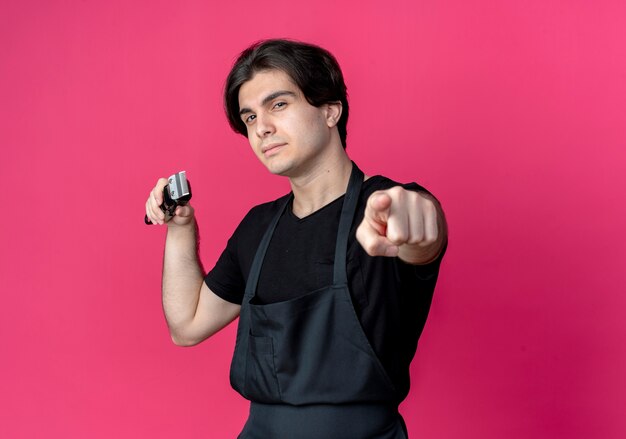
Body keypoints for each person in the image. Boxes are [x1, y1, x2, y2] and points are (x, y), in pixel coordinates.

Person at [145, 39, 447, 439]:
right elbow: (186, 326)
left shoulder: (385, 207)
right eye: (249, 117)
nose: (262, 127)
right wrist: (180, 228)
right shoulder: (258, 228)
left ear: (329, 111)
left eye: (279, 105)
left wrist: (421, 220)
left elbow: (422, 233)